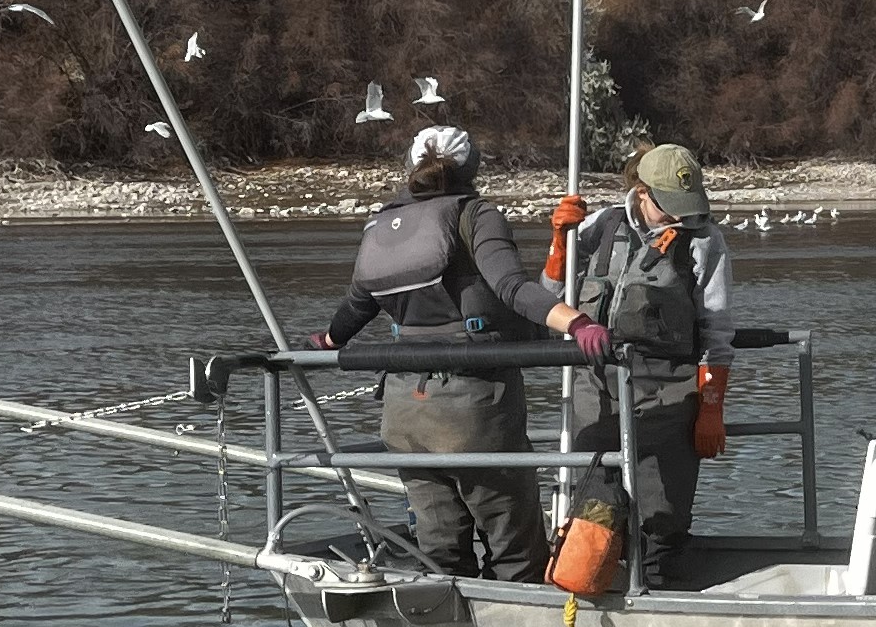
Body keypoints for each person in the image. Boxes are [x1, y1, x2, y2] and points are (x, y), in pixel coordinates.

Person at [312, 123, 549, 580]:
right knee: (513, 541)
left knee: (438, 545)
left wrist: (327, 341)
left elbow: (355, 307)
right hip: (476, 408)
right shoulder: (475, 214)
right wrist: (575, 322)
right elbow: (512, 287)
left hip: (405, 410)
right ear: (472, 168)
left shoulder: (384, 225)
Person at [547, 141, 732, 593]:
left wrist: (711, 409)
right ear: (642, 193)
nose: (679, 216)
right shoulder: (598, 227)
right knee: (594, 509)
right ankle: (584, 602)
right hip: (597, 395)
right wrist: (558, 243)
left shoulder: (705, 242)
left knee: (663, 516)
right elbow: (550, 294)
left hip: (670, 402)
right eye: (668, 206)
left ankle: (661, 597)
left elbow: (718, 334)